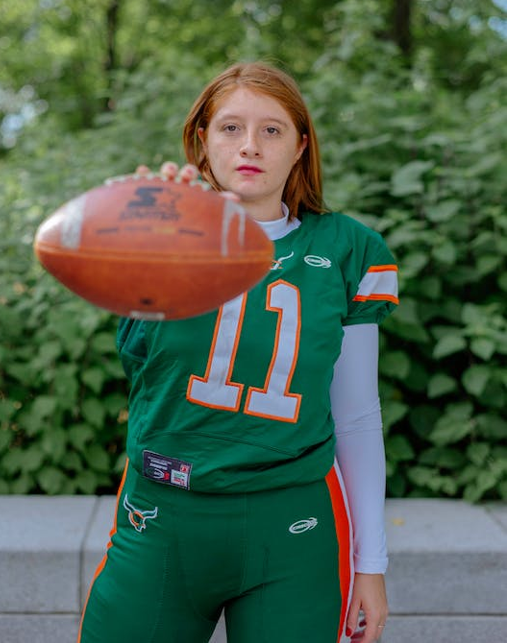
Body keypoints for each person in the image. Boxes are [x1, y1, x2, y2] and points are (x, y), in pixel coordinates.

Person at [78, 62, 398, 643]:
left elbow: (356, 416)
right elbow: (139, 363)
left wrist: (370, 566)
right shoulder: (160, 235)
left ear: (301, 146)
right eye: (230, 128)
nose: (250, 145)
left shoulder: (346, 248)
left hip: (291, 525)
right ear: (202, 140)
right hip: (163, 514)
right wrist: (152, 239)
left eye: (272, 130)